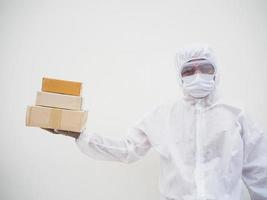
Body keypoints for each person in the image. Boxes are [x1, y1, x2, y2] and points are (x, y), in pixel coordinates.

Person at [43, 44, 267, 200]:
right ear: (180, 75)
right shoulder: (162, 115)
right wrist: (80, 135)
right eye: (189, 70)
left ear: (216, 72)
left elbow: (259, 171)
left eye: (205, 68)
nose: (197, 75)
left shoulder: (237, 114)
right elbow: (127, 149)